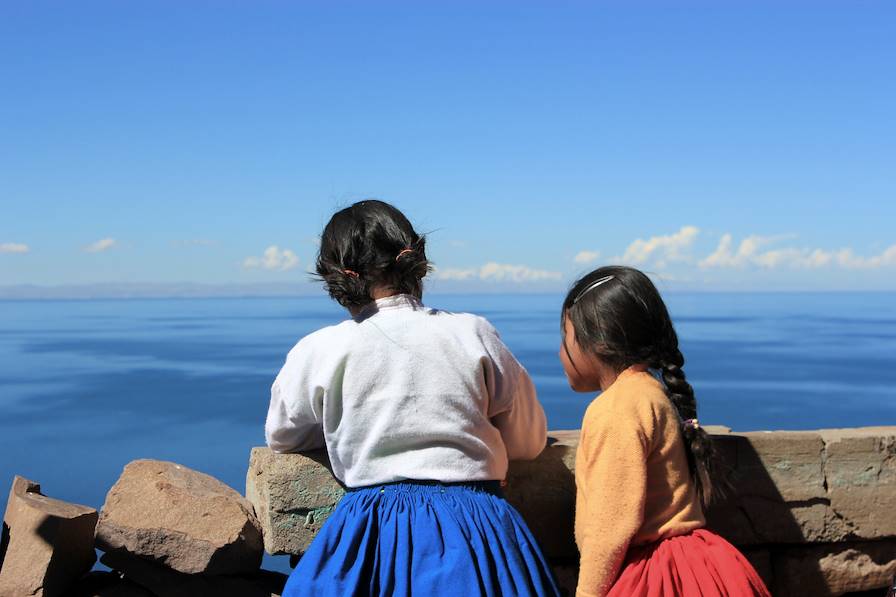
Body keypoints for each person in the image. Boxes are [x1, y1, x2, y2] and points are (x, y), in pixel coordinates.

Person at [266, 199, 560, 597]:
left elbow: (282, 435)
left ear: (337, 279)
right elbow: (528, 441)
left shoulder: (320, 349)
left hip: (370, 532)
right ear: (415, 261)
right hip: (478, 530)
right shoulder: (473, 333)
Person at [559, 265, 771, 597]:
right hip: (699, 567)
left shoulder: (616, 407)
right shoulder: (652, 392)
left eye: (565, 336)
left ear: (597, 339)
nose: (561, 351)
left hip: (654, 577)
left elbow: (609, 529)